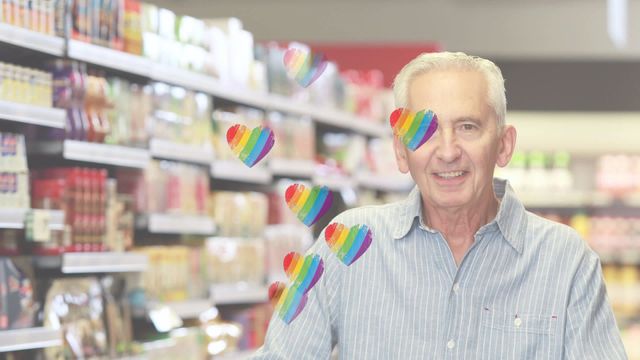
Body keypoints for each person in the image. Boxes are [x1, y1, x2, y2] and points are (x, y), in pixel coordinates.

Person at [252, 52, 627, 359]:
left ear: (503, 145)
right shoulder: (344, 247)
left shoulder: (566, 261)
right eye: (423, 131)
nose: (447, 151)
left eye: (467, 127)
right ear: (401, 150)